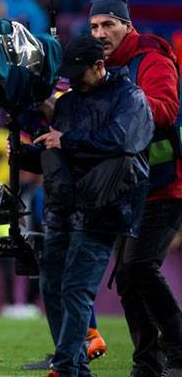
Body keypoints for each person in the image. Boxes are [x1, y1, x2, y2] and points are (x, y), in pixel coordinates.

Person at [20, 35, 153, 377]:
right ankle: (75, 366)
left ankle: (65, 367)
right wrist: (30, 155)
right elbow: (66, 155)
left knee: (77, 287)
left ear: (99, 66)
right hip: (65, 206)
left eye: (80, 74)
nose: (74, 81)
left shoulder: (131, 98)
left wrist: (66, 140)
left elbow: (123, 142)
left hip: (106, 206)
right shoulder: (68, 103)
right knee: (52, 285)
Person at [90, 0, 182, 377]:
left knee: (140, 267)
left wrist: (121, 98)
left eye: (108, 24)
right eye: (94, 26)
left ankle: (177, 351)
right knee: (128, 277)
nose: (100, 33)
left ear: (128, 26)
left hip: (163, 187)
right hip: (127, 190)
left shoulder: (151, 59)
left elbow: (166, 110)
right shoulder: (102, 69)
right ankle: (148, 362)